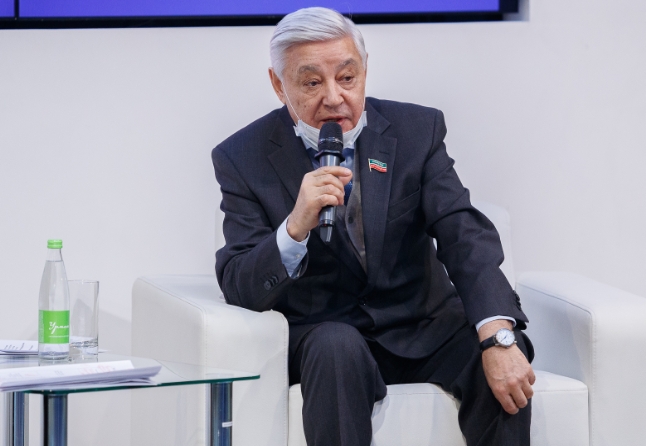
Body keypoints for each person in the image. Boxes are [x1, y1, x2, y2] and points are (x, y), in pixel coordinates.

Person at [212, 7, 535, 446]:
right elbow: (240, 285)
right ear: (278, 84)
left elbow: (463, 234)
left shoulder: (416, 131)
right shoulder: (242, 157)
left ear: (364, 71)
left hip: (423, 327)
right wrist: (293, 228)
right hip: (329, 340)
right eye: (312, 83)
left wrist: (497, 334)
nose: (334, 97)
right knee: (335, 348)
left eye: (347, 78)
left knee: (501, 351)